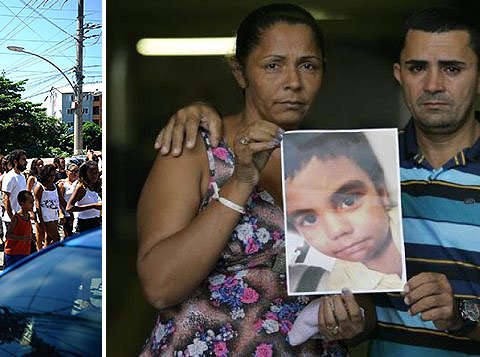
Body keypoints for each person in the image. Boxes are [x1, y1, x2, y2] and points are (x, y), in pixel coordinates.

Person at [153, 6, 480, 355]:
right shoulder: (358, 160)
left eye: (453, 68)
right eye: (418, 68)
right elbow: (362, 297)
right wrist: (355, 324)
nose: (433, 85)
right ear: (399, 74)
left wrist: (461, 313)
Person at [136, 4, 370, 355]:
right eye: (273, 65)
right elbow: (160, 286)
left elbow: (364, 297)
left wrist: (352, 322)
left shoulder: (339, 163)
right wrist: (242, 181)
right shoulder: (196, 148)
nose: (293, 82)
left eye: (308, 65)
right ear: (240, 71)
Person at [283, 132, 403, 293]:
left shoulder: (414, 225)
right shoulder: (340, 287)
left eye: (348, 202)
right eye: (310, 219)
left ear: (382, 194)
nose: (337, 230)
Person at [33, 164, 64, 248]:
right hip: (45, 217)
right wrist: (40, 220)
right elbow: (37, 204)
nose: (52, 178)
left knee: (49, 239)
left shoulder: (55, 186)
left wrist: (63, 212)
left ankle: (46, 252)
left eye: (54, 175)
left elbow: (60, 201)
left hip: (54, 215)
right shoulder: (39, 187)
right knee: (57, 238)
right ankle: (44, 252)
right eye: (50, 175)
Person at [0, 149, 28, 240]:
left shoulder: (22, 176)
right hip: (12, 219)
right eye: (23, 159)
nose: (26, 162)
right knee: (11, 244)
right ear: (15, 161)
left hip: (22, 217)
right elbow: (5, 198)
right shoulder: (10, 177)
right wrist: (12, 217)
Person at [67, 160, 102, 234]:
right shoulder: (81, 187)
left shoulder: (94, 185)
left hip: (96, 221)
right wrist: (93, 206)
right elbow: (69, 208)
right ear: (85, 173)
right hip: (84, 224)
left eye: (96, 173)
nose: (94, 176)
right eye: (91, 173)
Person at [3, 190, 35, 268]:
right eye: (30, 202)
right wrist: (21, 238)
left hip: (25, 251)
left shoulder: (28, 217)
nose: (33, 204)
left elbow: (29, 230)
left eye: (33, 202)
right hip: (13, 253)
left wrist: (33, 236)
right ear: (22, 204)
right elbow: (8, 235)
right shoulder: (16, 218)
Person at [57, 162, 79, 239]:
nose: (74, 173)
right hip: (67, 213)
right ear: (67, 172)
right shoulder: (62, 184)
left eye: (76, 171)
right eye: (72, 171)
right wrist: (61, 212)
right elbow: (59, 200)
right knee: (68, 235)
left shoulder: (79, 183)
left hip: (78, 212)